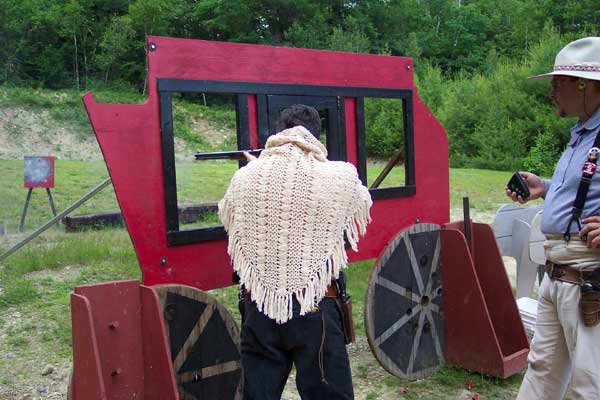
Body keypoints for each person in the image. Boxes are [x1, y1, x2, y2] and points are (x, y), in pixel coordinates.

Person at [218, 104, 372, 399]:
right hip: (316, 305)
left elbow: (231, 218)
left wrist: (257, 167)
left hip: (259, 306)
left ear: (281, 130)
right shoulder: (339, 176)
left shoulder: (246, 176)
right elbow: (360, 201)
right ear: (316, 136)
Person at [504, 37, 600, 400]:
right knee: (542, 372)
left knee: (588, 385)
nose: (552, 91)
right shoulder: (581, 134)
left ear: (585, 85)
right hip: (557, 276)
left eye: (559, 82)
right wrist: (543, 187)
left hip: (587, 282)